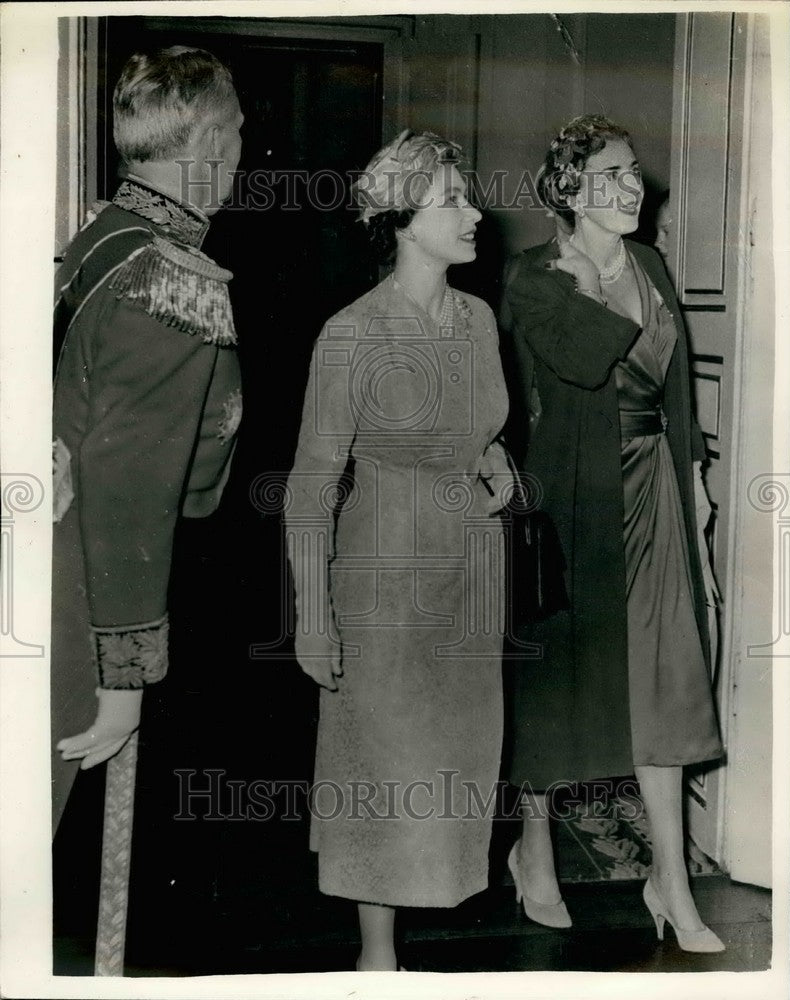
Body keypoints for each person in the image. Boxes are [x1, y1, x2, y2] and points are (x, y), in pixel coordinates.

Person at [285, 130, 515, 971]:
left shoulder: (478, 319)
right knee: (381, 772)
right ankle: (375, 961)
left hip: (469, 577)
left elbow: (485, 434)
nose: (473, 211)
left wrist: (495, 469)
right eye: (452, 198)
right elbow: (312, 484)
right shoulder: (351, 333)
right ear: (401, 219)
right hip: (382, 579)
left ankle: (410, 947)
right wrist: (313, 618)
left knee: (453, 770)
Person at [502, 115, 724, 953]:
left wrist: (694, 476)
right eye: (610, 175)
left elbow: (673, 389)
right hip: (569, 498)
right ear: (567, 189)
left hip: (655, 490)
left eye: (634, 172)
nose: (633, 187)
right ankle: (533, 849)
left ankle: (668, 875)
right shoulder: (532, 278)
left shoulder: (652, 265)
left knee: (667, 676)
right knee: (554, 684)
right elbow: (590, 359)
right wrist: (584, 277)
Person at [52, 46, 244, 827]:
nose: (241, 154)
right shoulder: (170, 283)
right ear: (204, 149)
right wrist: (123, 680)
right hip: (79, 588)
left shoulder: (102, 237)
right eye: (235, 135)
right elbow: (129, 490)